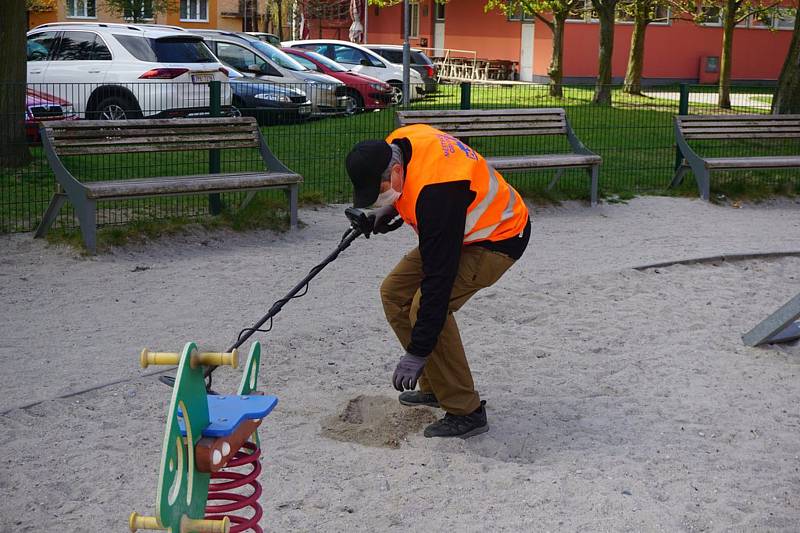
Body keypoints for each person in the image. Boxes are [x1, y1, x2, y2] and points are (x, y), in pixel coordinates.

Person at [345, 124, 531, 439]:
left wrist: (417, 350)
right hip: (459, 232)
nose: (380, 196)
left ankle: (466, 411)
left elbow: (439, 280)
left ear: (395, 170)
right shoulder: (396, 143)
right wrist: (382, 213)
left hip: (498, 237)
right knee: (394, 293)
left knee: (426, 308)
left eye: (381, 189)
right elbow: (408, 198)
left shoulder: (438, 193)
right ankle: (436, 386)